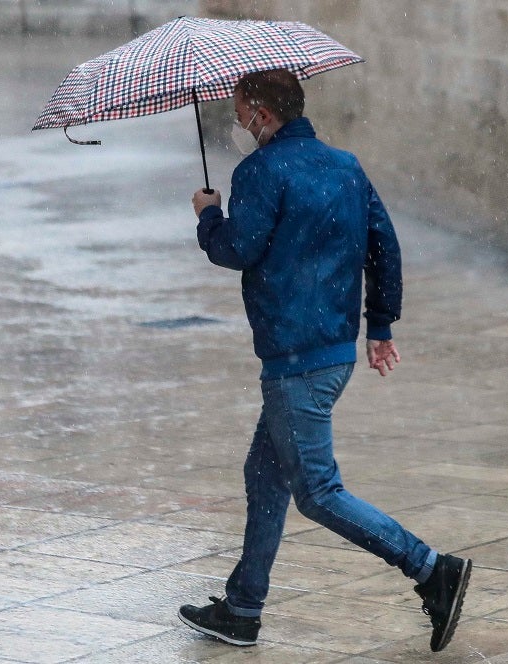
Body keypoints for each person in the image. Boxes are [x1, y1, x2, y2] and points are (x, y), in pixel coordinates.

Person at [178, 69, 471, 653]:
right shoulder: (345, 166)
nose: (238, 124)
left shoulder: (260, 171)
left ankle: (431, 569)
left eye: (240, 114)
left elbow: (237, 249)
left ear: (262, 114)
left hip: (296, 357)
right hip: (331, 350)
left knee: (316, 491)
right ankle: (242, 609)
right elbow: (384, 245)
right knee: (265, 475)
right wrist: (379, 325)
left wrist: (209, 215)